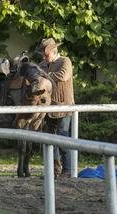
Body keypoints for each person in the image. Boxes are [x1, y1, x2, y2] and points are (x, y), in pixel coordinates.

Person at [35, 38, 75, 178]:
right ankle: (54, 170)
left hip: (64, 106)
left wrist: (44, 76)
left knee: (63, 139)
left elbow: (62, 76)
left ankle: (67, 170)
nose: (44, 57)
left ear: (53, 51)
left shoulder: (65, 61)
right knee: (50, 140)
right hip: (48, 107)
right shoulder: (42, 64)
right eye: (43, 55)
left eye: (46, 55)